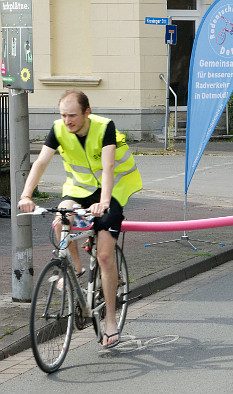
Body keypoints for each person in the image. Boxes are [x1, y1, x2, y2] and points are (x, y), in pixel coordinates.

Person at [18, 90, 142, 349]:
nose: (67, 121)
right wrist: (26, 194)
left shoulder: (104, 127)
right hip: (79, 189)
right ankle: (75, 267)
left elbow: (108, 168)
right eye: (63, 115)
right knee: (61, 217)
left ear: (87, 112)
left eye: (72, 115)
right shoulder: (58, 129)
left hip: (114, 188)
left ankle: (109, 320)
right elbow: (40, 162)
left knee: (105, 255)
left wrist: (105, 202)